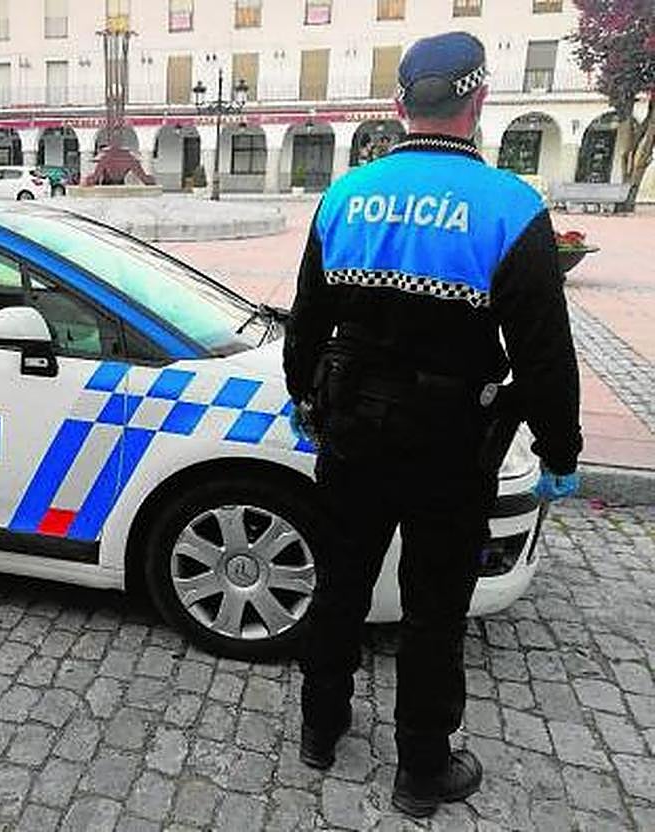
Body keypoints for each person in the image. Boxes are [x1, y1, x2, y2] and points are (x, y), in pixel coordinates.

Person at [283, 31, 583, 818]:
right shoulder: (511, 207)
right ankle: (421, 769)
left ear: (398, 105)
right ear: (479, 103)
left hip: (350, 432)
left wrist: (302, 400)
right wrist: (559, 450)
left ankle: (321, 729)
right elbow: (544, 353)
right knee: (434, 607)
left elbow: (307, 320)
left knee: (341, 582)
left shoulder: (347, 195)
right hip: (452, 445)